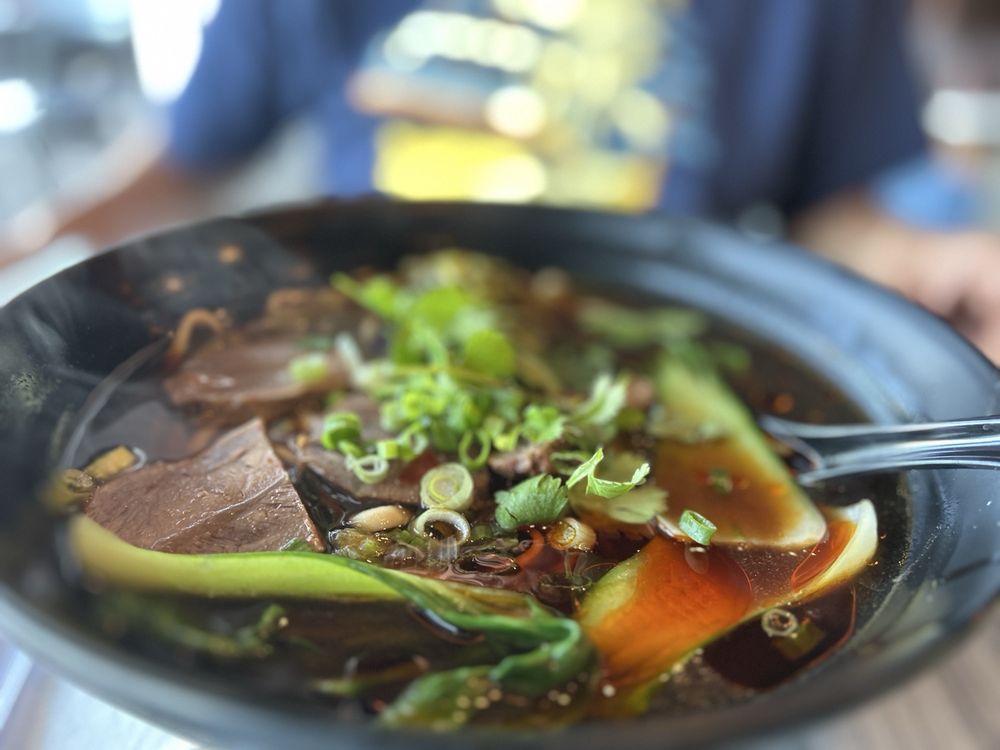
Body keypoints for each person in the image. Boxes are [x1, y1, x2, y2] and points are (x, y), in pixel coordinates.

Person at [4, 0, 1000, 360]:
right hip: (360, 340)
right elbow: (186, 160)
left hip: (666, 354)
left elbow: (834, 218)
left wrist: (921, 261)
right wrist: (34, 238)